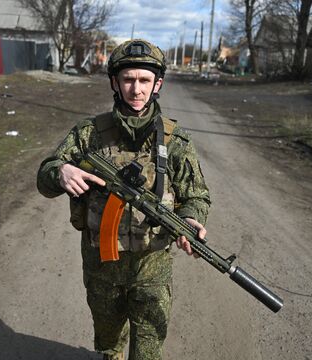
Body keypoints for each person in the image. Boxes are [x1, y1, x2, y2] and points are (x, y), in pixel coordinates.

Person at [36, 39, 210, 360]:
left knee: (147, 353)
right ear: (115, 82)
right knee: (109, 345)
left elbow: (196, 195)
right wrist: (59, 172)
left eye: (144, 80)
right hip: (102, 267)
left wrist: (192, 218)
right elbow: (45, 177)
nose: (136, 89)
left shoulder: (175, 141)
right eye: (128, 79)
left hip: (152, 268)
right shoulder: (88, 134)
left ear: (157, 84)